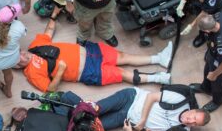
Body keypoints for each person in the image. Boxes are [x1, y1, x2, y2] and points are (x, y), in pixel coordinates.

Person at [22, 17, 172, 92]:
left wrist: (53, 16)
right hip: (88, 71)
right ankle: (158, 78)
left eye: (20, 53)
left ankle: (160, 58)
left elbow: (48, 32)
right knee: (122, 73)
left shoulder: (34, 45)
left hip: (90, 51)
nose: (23, 57)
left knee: (123, 56)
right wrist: (60, 72)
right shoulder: (31, 73)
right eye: (19, 61)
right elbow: (50, 89)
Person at [97, 85, 211, 131]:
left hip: (126, 118)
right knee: (91, 110)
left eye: (195, 123)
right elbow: (152, 96)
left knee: (94, 128)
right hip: (131, 98)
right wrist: (143, 120)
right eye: (194, 117)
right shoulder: (180, 100)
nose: (191, 121)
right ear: (193, 110)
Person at [189, 12, 222, 112]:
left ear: (207, 30)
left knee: (218, 81)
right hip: (213, 53)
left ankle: (218, 101)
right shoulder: (220, 16)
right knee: (207, 71)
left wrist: (214, 74)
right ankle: (206, 88)